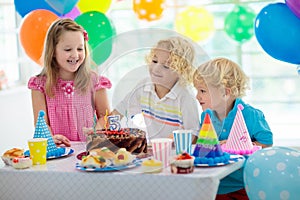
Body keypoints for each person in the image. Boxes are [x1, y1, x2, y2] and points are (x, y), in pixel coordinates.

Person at [193, 57, 273, 199]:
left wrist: (238, 144)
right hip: (214, 185)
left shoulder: (251, 115)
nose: (197, 96)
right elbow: (204, 146)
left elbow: (266, 144)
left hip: (242, 185)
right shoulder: (206, 116)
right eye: (197, 90)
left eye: (203, 91)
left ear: (226, 92)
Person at [28, 18, 112, 147]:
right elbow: (41, 124)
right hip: (59, 152)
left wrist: (96, 131)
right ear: (53, 51)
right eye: (68, 50)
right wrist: (51, 139)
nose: (75, 55)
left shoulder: (95, 82)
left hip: (91, 150)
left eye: (80, 49)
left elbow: (105, 116)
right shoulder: (40, 85)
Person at [110, 36, 200, 140]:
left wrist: (171, 140)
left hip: (178, 154)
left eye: (166, 66)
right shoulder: (143, 87)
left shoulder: (185, 96)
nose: (156, 69)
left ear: (181, 71)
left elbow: (194, 134)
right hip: (153, 151)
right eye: (154, 61)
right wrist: (108, 132)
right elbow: (119, 111)